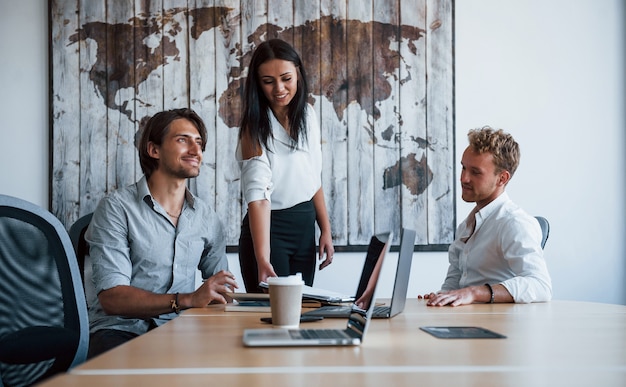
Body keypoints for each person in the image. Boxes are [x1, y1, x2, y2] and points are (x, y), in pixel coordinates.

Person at [85, 108, 239, 358]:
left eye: (199, 142)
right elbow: (112, 298)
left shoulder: (206, 217)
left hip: (182, 330)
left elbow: (222, 290)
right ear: (153, 150)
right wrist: (186, 299)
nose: (195, 150)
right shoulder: (116, 208)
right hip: (121, 331)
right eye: (183, 140)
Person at [236, 39, 334, 292]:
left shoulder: (308, 115)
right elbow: (258, 198)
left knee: (300, 315)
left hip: (304, 228)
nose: (279, 88)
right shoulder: (253, 129)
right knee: (270, 318)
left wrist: (325, 229)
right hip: (270, 231)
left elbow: (313, 177)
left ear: (298, 74)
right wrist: (262, 258)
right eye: (268, 81)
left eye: (286, 78)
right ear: (258, 83)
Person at [419, 126, 552, 306]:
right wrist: (443, 297)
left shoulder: (514, 223)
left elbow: (540, 285)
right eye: (463, 168)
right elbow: (456, 278)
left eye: (475, 172)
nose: (463, 178)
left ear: (502, 179)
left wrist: (475, 292)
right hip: (466, 323)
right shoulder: (467, 226)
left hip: (499, 329)